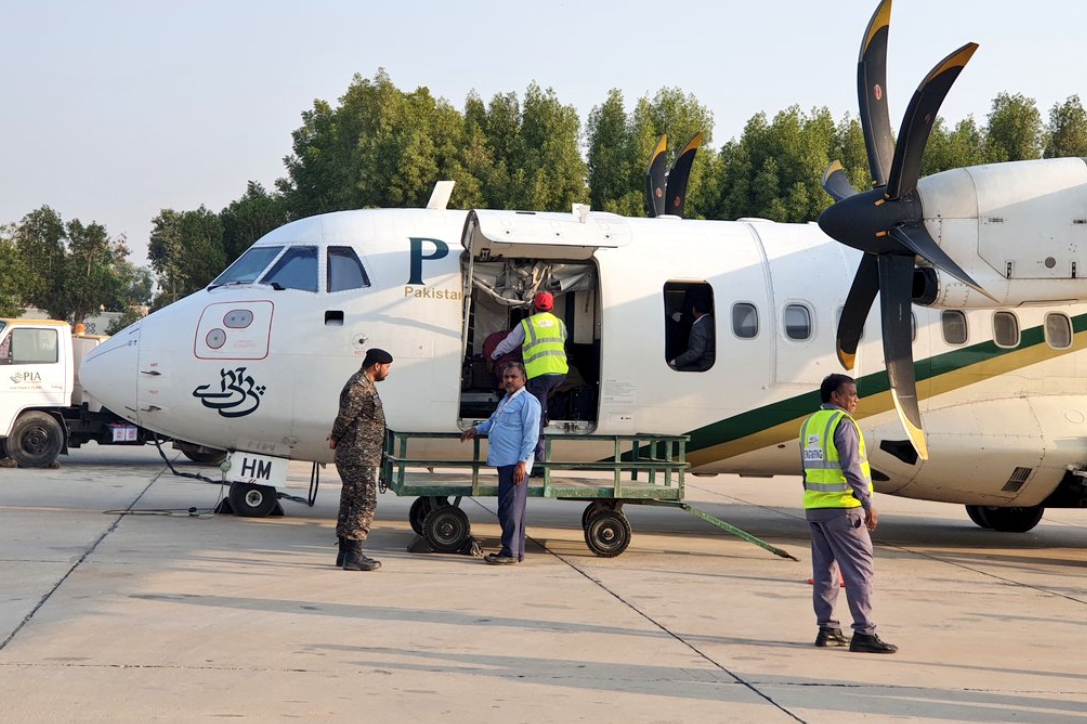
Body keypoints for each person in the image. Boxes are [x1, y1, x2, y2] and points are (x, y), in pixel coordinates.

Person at [799, 374, 897, 654]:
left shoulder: (809, 424)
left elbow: (806, 468)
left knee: (824, 571)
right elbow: (852, 467)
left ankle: (827, 629)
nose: (856, 400)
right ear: (835, 397)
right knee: (859, 571)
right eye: (851, 394)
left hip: (816, 508)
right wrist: (867, 503)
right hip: (843, 508)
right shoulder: (843, 424)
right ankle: (864, 632)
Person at [460, 362, 541, 565]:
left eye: (513, 377)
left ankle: (510, 552)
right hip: (505, 461)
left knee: (509, 510)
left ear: (524, 379)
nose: (509, 380)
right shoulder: (506, 400)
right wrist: (476, 430)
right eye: (506, 377)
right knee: (512, 509)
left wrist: (522, 462)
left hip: (515, 464)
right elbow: (492, 422)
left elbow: (531, 435)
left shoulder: (528, 402)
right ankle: (515, 551)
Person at [328, 348, 393, 572]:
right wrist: (335, 437)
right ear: (376, 366)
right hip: (358, 454)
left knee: (351, 501)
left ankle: (345, 554)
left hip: (361, 453)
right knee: (365, 502)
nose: (388, 372)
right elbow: (345, 416)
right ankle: (354, 555)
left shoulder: (365, 384)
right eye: (387, 367)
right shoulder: (359, 385)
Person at [489, 292, 567, 471]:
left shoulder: (527, 324)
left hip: (540, 377)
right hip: (560, 375)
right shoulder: (560, 323)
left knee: (534, 420)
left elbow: (509, 344)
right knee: (540, 405)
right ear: (552, 307)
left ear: (533, 306)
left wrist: (493, 356)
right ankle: (544, 411)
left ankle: (539, 464)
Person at [669, 295, 715, 371]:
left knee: (671, 369)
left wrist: (674, 361)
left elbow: (696, 353)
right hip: (709, 362)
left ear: (693, 309)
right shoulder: (710, 320)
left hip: (702, 364)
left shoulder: (699, 326)